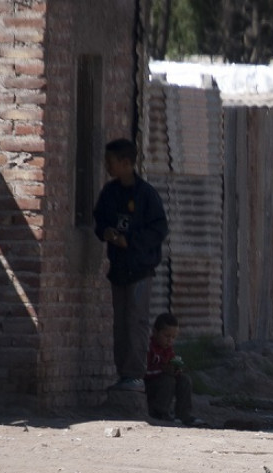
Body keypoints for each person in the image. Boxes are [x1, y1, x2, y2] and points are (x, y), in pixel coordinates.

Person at [93, 138, 169, 393]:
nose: (107, 166)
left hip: (140, 270)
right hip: (118, 269)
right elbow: (99, 219)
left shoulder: (146, 195)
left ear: (126, 163)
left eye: (111, 162)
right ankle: (123, 374)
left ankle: (135, 375)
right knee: (121, 323)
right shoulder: (110, 193)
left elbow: (159, 229)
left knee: (136, 321)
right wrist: (106, 233)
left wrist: (131, 241)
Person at [145, 313, 199, 426]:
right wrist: (162, 370)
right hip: (150, 386)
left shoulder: (168, 349)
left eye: (173, 337)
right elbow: (143, 372)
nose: (170, 340)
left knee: (185, 380)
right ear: (155, 332)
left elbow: (172, 364)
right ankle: (160, 412)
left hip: (164, 380)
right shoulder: (148, 348)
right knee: (168, 380)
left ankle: (184, 414)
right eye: (167, 336)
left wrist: (177, 370)